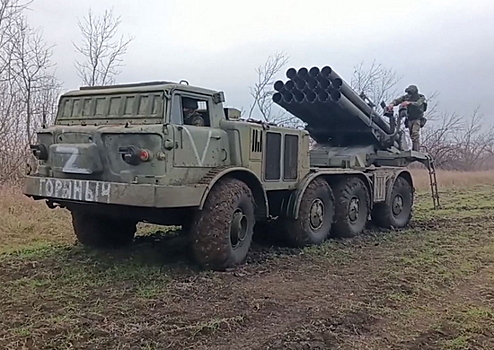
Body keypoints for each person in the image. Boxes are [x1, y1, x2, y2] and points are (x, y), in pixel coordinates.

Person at [387, 85, 427, 151]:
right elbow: (397, 100)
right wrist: (392, 104)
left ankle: (416, 150)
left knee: (415, 134)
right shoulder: (406, 97)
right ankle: (414, 149)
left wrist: (409, 103)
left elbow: (418, 104)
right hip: (409, 118)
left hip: (417, 119)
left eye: (410, 93)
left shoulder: (421, 97)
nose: (409, 94)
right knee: (411, 134)